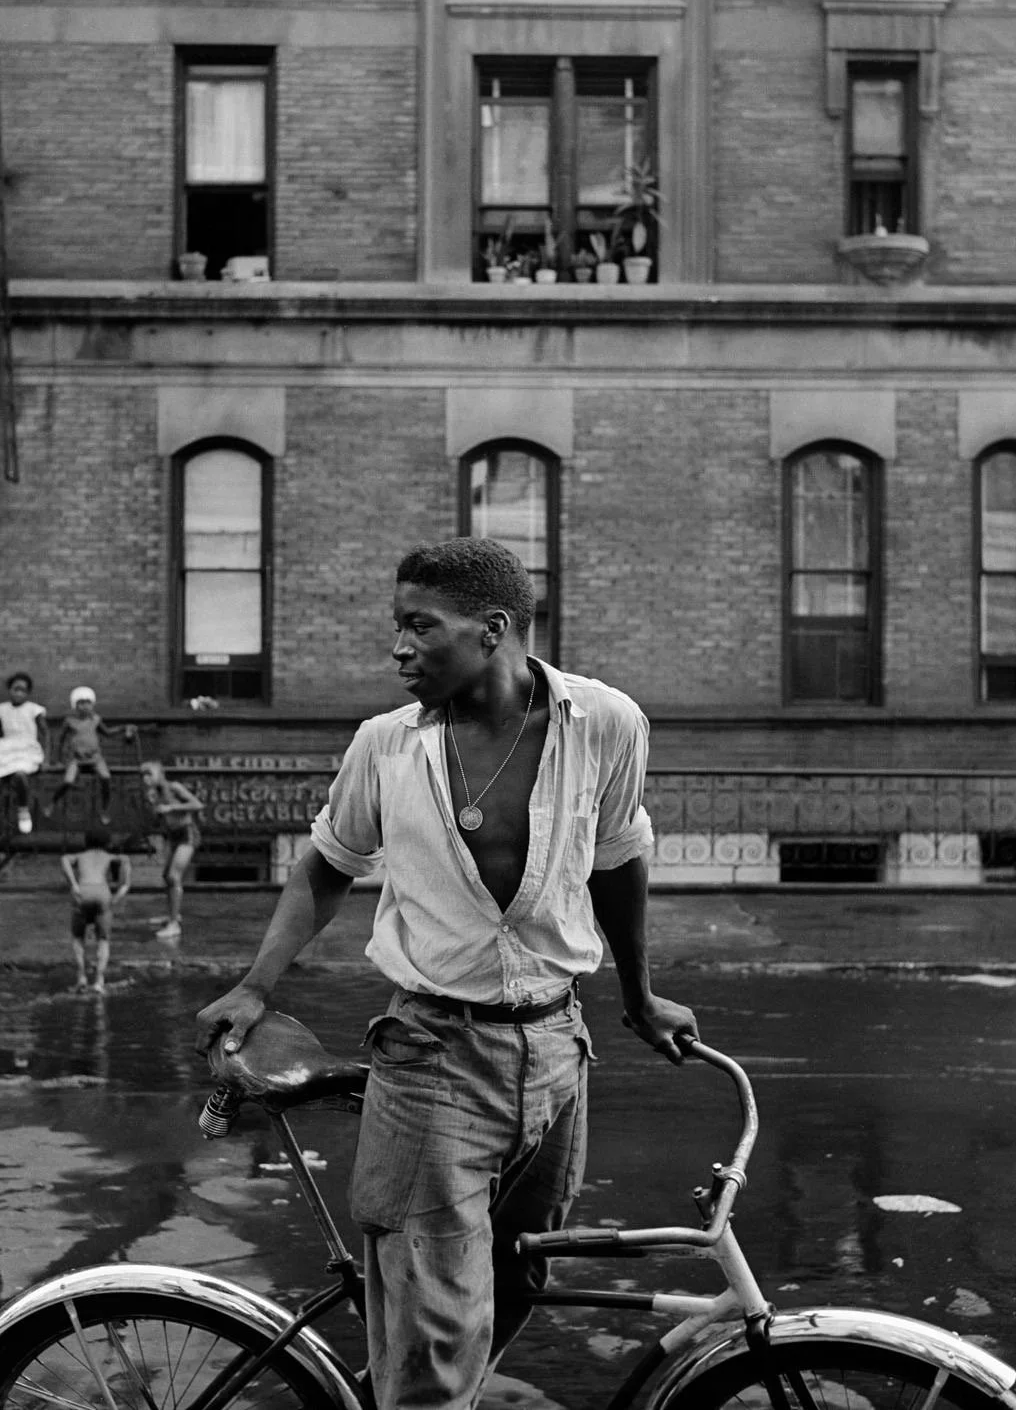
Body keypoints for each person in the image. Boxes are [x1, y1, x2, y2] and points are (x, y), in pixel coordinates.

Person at [195, 536, 699, 1410]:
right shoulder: (386, 746)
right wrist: (256, 983)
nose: (397, 648)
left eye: (418, 627)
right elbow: (327, 865)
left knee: (514, 1288)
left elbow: (618, 859)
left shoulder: (607, 723)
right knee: (435, 1355)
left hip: (556, 1053)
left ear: (493, 629)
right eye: (397, 626)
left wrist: (639, 995)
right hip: (432, 1057)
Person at [48, 687, 134, 825]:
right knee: (68, 781)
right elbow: (60, 740)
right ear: (75, 705)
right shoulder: (70, 721)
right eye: (80, 703)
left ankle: (105, 809)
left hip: (95, 758)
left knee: (106, 777)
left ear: (92, 704)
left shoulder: (96, 719)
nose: (84, 706)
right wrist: (57, 759)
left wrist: (122, 728)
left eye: (87, 702)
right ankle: (52, 803)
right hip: (76, 759)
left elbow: (107, 732)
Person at [61, 828, 131, 994]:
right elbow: (126, 866)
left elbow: (64, 859)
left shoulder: (80, 856)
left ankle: (82, 978)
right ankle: (99, 981)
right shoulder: (111, 857)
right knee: (103, 939)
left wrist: (73, 884)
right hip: (102, 892)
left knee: (78, 937)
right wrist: (119, 893)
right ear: (107, 843)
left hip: (83, 891)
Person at [140, 760, 203, 940]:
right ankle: (172, 915)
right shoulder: (153, 794)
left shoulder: (174, 787)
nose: (145, 778)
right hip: (173, 835)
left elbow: (197, 804)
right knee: (166, 876)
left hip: (187, 833)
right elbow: (158, 820)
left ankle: (174, 925)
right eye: (143, 775)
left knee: (174, 877)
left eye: (149, 774)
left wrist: (172, 807)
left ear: (160, 774)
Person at [0, 671, 49, 840]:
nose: (18, 693)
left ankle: (23, 810)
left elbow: (46, 734)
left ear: (28, 692)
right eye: (15, 689)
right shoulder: (1, 710)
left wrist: (47, 759)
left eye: (22, 690)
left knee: (20, 775)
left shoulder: (34, 709)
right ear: (9, 690)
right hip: (6, 749)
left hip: (26, 749)